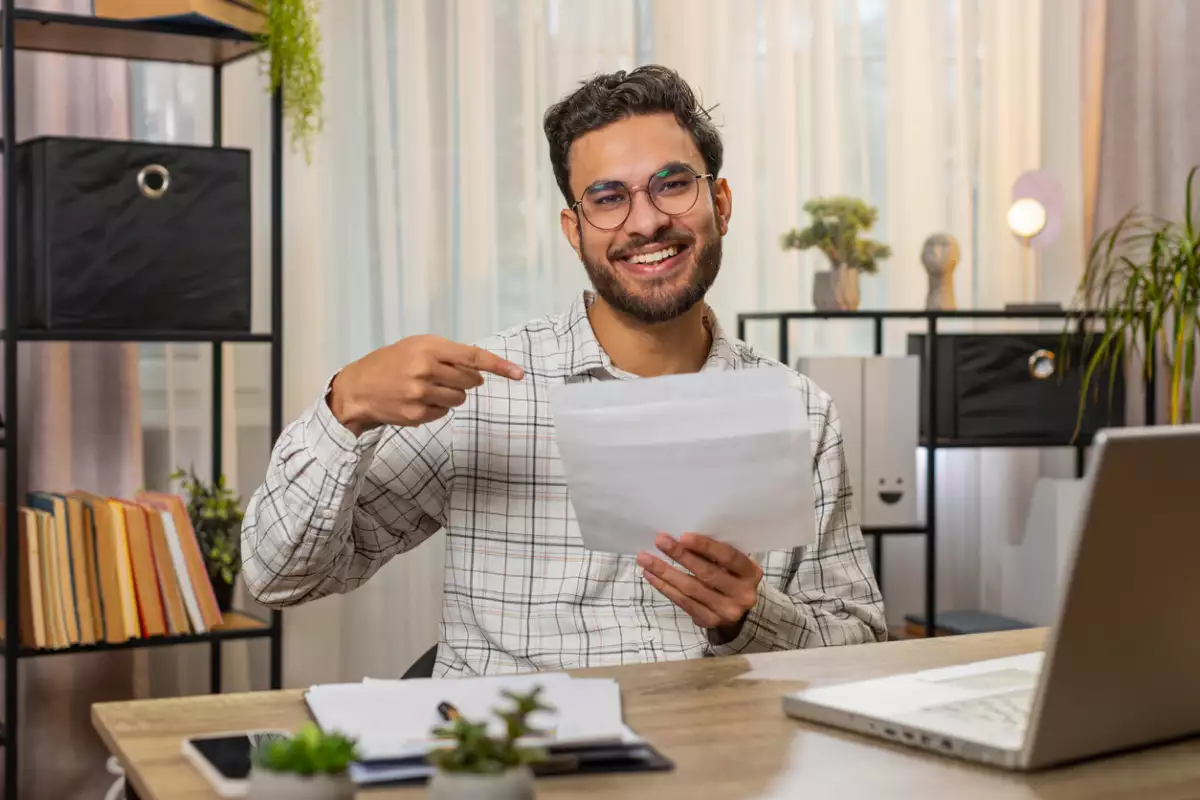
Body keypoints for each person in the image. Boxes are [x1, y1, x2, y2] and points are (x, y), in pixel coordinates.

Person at [241, 65, 887, 677]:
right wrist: (344, 405)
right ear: (574, 231)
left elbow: (863, 647)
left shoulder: (799, 411)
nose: (647, 220)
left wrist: (752, 619)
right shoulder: (483, 394)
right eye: (608, 198)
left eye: (673, 184)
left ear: (720, 201)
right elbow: (279, 575)